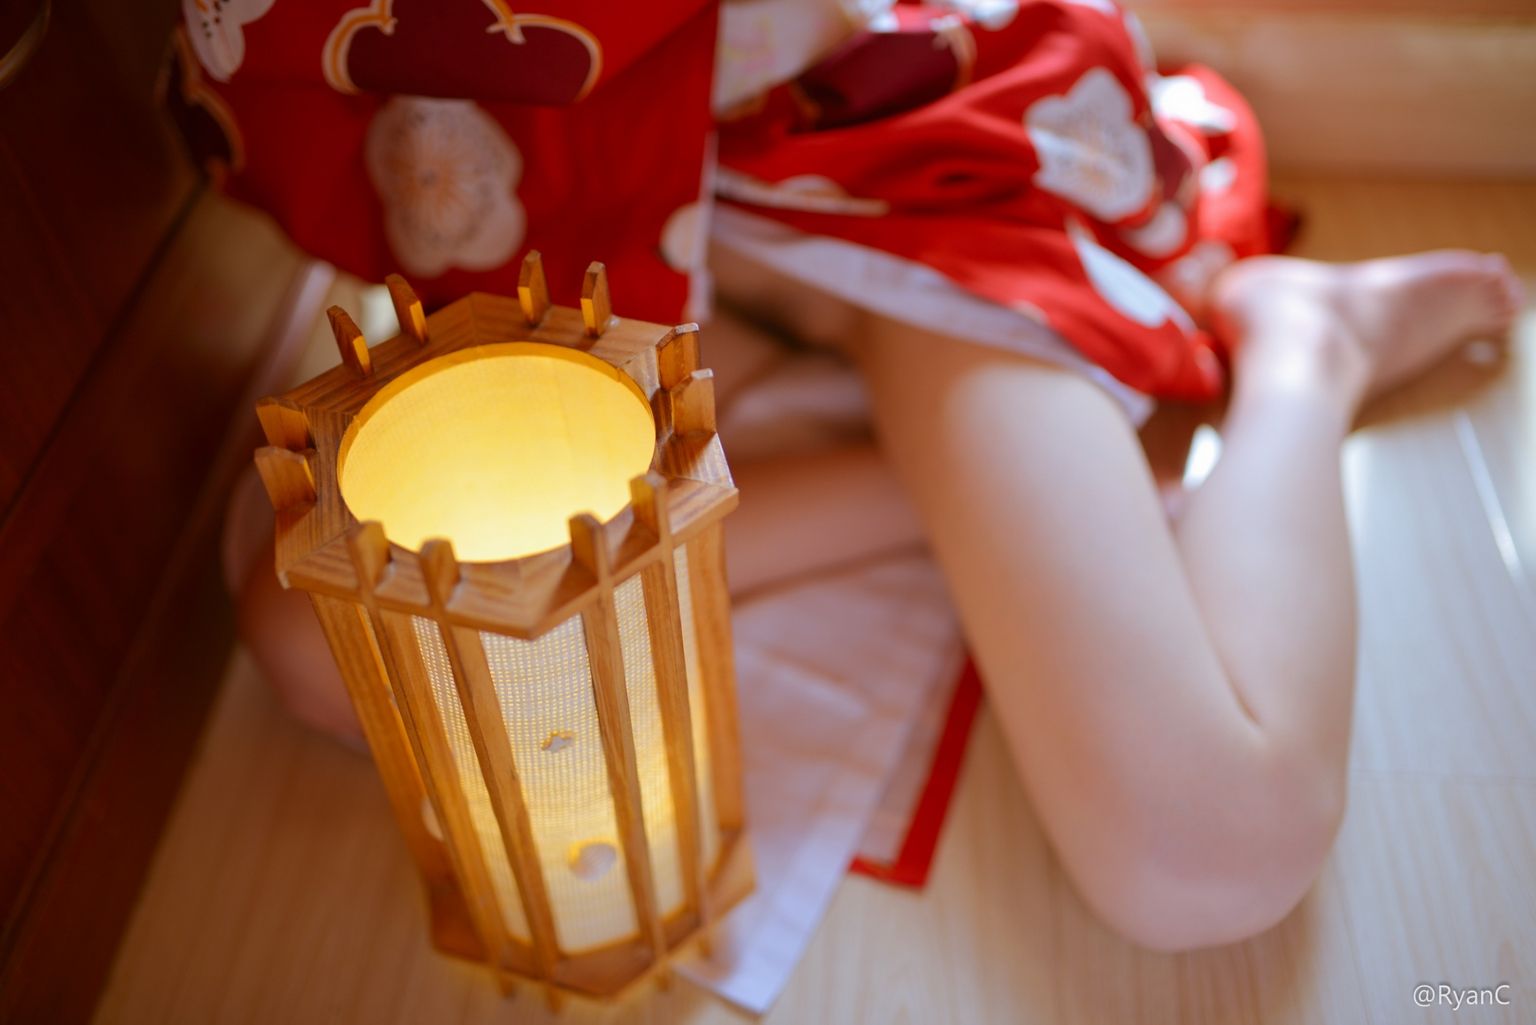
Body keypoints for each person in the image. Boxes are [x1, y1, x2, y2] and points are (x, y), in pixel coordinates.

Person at [201, 0, 1522, 951]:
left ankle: (1308, 350)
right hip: (571, 238)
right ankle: (920, 480)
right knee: (324, 641)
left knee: (1203, 850)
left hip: (884, 158)